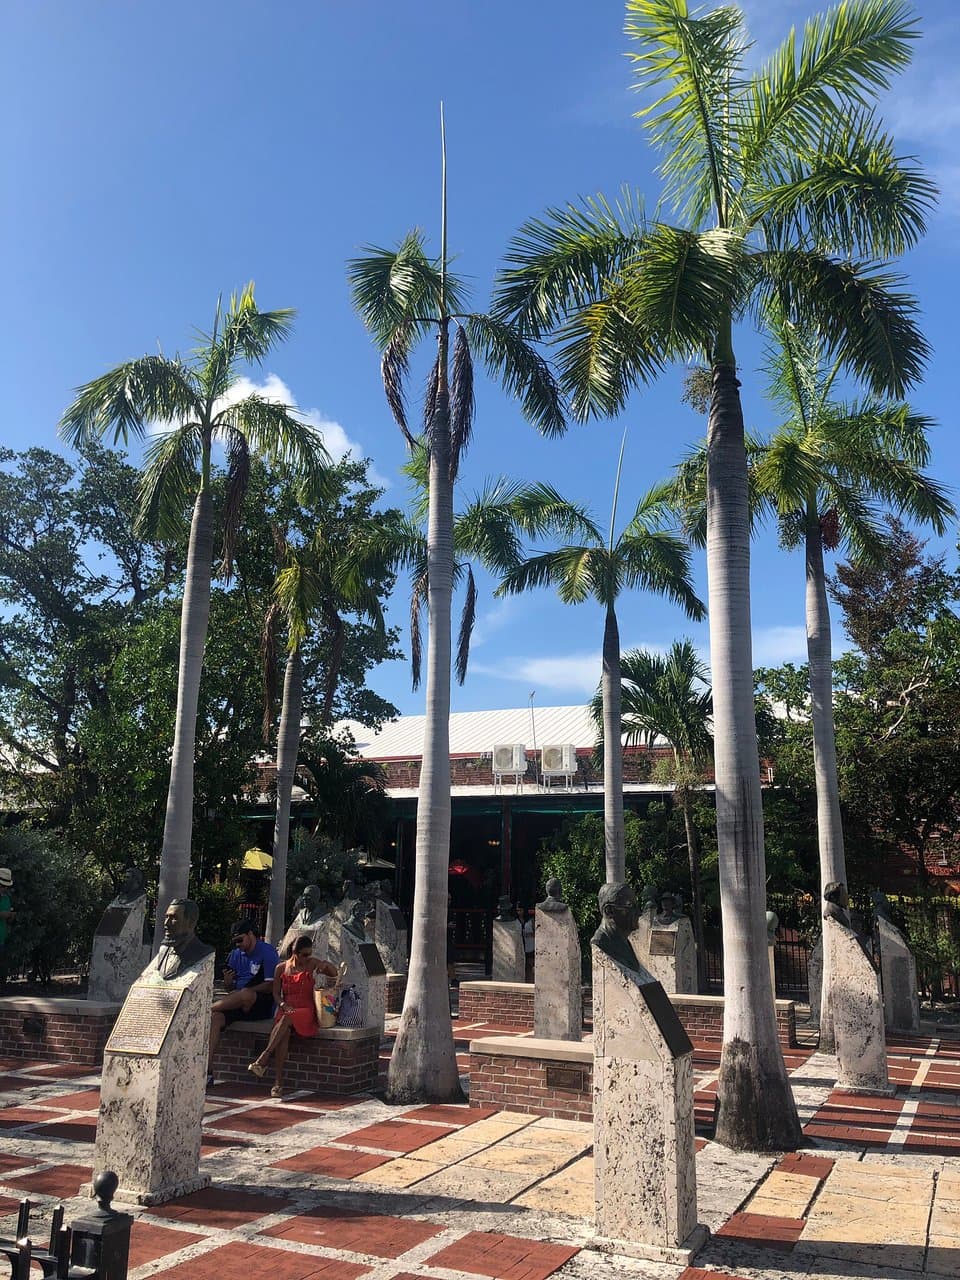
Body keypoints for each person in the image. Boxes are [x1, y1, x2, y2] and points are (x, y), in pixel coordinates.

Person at [248, 934, 339, 1096]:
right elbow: (276, 994)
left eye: (309, 954)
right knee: (284, 1031)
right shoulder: (281, 968)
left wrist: (326, 965)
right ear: (295, 953)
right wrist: (283, 1004)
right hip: (287, 1008)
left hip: (305, 1009)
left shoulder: (312, 963)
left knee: (287, 1018)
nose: (307, 957)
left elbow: (334, 974)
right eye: (304, 954)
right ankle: (278, 1083)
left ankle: (264, 1057)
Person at [207, 918, 280, 1085]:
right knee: (216, 1018)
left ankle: (207, 1009)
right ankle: (207, 1070)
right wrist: (228, 983)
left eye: (240, 940)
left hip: (261, 1002)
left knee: (246, 994)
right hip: (239, 1000)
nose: (238, 945)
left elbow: (270, 985)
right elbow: (230, 989)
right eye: (235, 942)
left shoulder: (267, 952)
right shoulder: (235, 955)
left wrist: (245, 991)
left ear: (251, 934)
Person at [0, 867, 14, 990]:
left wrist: (10, 916)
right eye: (2, 885)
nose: (4, 888)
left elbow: (8, 920)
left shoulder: (6, 898)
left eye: (6, 886)